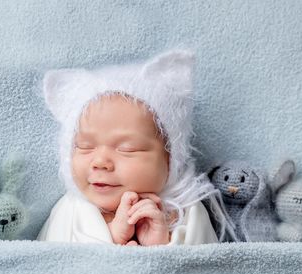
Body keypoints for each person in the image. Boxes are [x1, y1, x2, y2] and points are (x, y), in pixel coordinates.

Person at [37, 50, 235, 245]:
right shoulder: (71, 211)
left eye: (127, 149)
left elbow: (206, 271)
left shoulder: (187, 213)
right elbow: (54, 268)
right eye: (85, 147)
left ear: (170, 159)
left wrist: (162, 246)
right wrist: (113, 239)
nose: (100, 162)